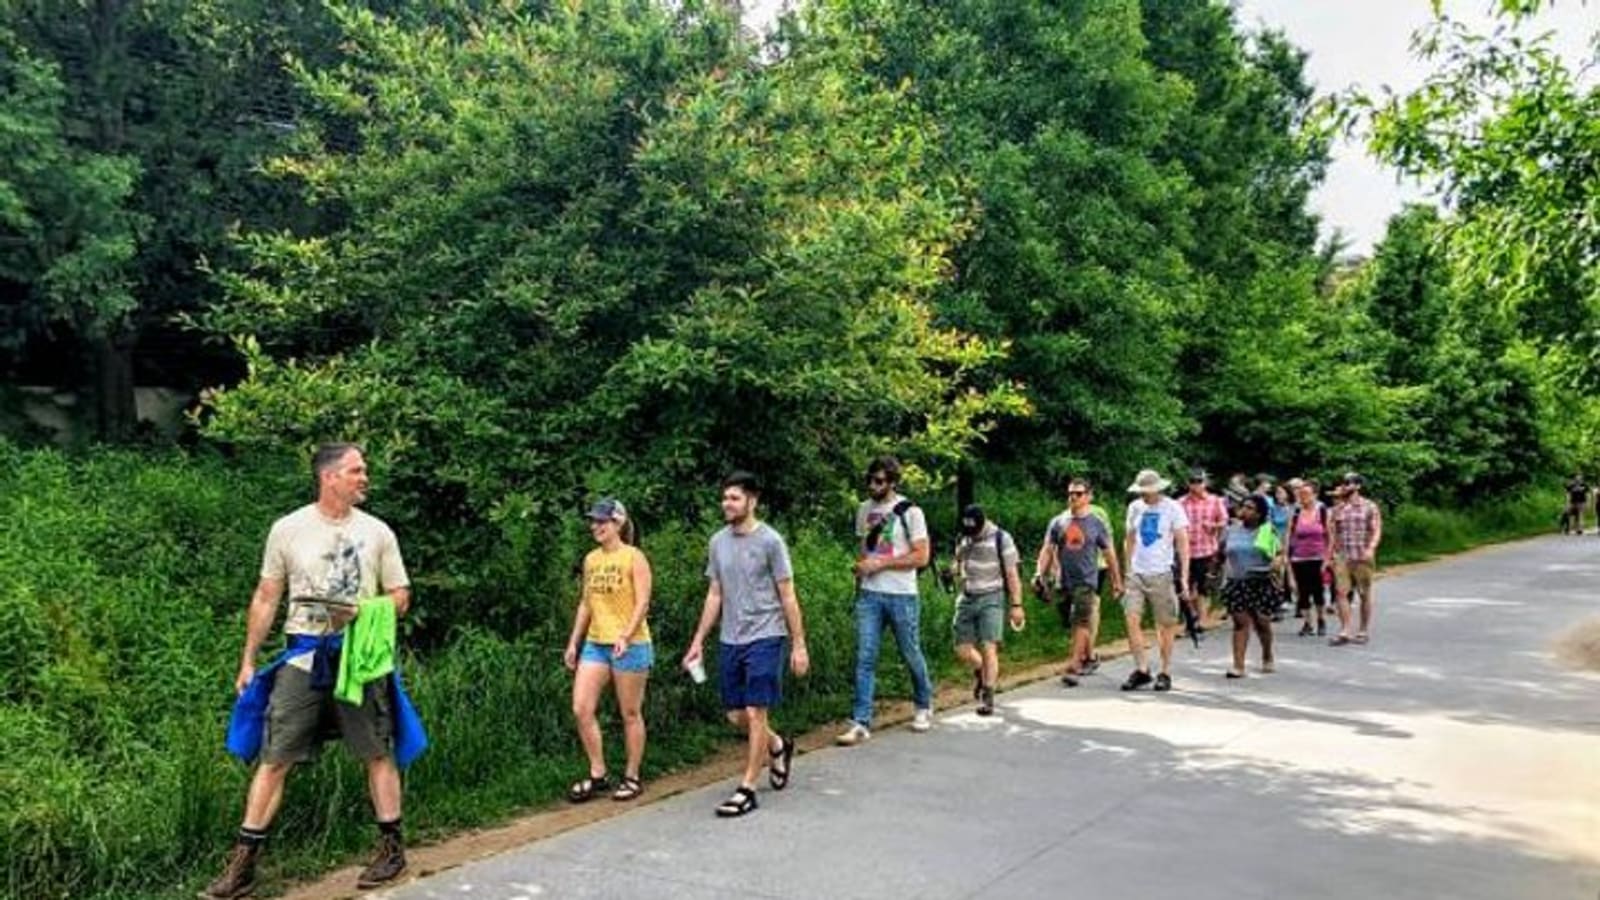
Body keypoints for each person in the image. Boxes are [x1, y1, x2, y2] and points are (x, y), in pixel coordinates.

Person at [206, 444, 416, 898]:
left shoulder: (377, 532)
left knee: (376, 750)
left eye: (364, 469)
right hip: (302, 655)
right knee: (275, 756)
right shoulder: (288, 529)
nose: (364, 477)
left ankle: (391, 849)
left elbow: (400, 596)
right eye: (356, 470)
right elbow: (266, 595)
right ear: (329, 477)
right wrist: (248, 658)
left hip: (359, 657)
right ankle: (243, 865)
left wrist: (365, 610)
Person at [684, 471, 810, 818]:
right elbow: (715, 593)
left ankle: (748, 787)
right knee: (735, 715)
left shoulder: (771, 541)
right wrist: (698, 640)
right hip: (731, 637)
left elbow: (787, 595)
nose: (727, 503)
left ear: (752, 501)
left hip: (767, 635)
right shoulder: (717, 542)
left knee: (756, 711)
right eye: (725, 497)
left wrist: (798, 644)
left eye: (735, 498)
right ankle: (777, 745)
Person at [837, 455, 935, 746]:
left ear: (892, 482)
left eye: (879, 481)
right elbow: (865, 549)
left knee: (910, 653)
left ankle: (923, 704)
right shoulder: (864, 510)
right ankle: (861, 721)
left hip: (902, 595)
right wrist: (861, 572)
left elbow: (921, 556)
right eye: (870, 480)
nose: (873, 485)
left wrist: (881, 564)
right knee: (865, 657)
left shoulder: (910, 512)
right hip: (869, 595)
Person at [563, 498, 653, 803]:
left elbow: (642, 602)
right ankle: (598, 773)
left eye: (602, 521)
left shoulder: (634, 557)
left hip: (631, 644)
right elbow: (587, 603)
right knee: (582, 708)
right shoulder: (591, 560)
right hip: (596, 643)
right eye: (593, 521)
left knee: (629, 712)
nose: (596, 526)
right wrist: (574, 641)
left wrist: (626, 635)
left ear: (618, 523)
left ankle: (632, 775)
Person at [1036, 478, 1123, 687]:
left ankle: (1075, 665)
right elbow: (1048, 549)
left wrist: (1116, 580)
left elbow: (1109, 553)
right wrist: (1039, 574)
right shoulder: (1058, 522)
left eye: (1078, 493)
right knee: (1069, 620)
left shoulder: (1095, 522)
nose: (1073, 497)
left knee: (1081, 621)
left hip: (1087, 580)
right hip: (1064, 580)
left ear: (1088, 496)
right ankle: (1087, 656)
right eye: (1070, 494)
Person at [1120, 469, 1191, 692]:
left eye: (1148, 490)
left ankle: (1165, 670)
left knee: (1165, 624)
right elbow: (1130, 539)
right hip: (1137, 573)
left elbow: (1182, 542)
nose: (1144, 494)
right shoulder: (1135, 507)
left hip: (1161, 572)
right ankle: (1142, 668)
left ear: (1158, 489)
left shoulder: (1172, 508)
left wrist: (1184, 577)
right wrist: (1127, 569)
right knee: (1131, 619)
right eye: (1141, 491)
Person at [950, 505, 1023, 715]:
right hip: (967, 596)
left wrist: (1017, 605)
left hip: (992, 596)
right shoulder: (965, 537)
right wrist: (953, 571)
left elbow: (1012, 574)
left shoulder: (1002, 539)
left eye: (974, 531)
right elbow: (959, 562)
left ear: (983, 523)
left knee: (988, 645)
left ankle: (988, 694)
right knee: (961, 649)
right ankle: (982, 671)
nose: (971, 535)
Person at [1221, 495, 1281, 678]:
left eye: (1250, 508)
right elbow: (1220, 552)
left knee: (1262, 621)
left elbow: (1279, 552)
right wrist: (1213, 572)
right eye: (1243, 507)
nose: (1244, 511)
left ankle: (1267, 654)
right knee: (1240, 623)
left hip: (1260, 580)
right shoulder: (1231, 530)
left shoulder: (1267, 530)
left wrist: (1277, 563)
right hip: (1237, 581)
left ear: (1259, 514)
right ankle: (1238, 665)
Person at [1328, 472, 1384, 646]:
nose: (1344, 485)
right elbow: (1334, 532)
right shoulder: (1338, 509)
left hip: (1362, 555)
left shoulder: (1369, 506)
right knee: (1341, 592)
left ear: (1358, 486)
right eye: (1343, 482)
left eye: (1348, 483)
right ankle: (1344, 630)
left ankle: (1363, 630)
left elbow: (1376, 530)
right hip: (1344, 556)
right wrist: (1334, 551)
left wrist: (1371, 548)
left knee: (1364, 594)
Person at [1178, 469, 1227, 630]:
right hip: (1186, 551)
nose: (1196, 485)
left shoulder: (1215, 501)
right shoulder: (1181, 503)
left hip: (1207, 549)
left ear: (1205, 483)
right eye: (1192, 482)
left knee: (1203, 587)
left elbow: (1224, 521)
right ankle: (1189, 619)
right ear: (1188, 484)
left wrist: (1213, 525)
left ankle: (1201, 621)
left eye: (1199, 481)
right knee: (1186, 587)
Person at [1286, 479, 1332, 637]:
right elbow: (1288, 536)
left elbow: (1330, 536)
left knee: (1318, 590)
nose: (1302, 496)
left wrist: (1327, 559)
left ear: (1315, 495)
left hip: (1318, 556)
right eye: (1300, 493)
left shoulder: (1322, 510)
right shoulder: (1296, 512)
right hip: (1299, 557)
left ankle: (1321, 619)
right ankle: (1308, 623)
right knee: (1301, 591)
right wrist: (1286, 557)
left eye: (1306, 493)